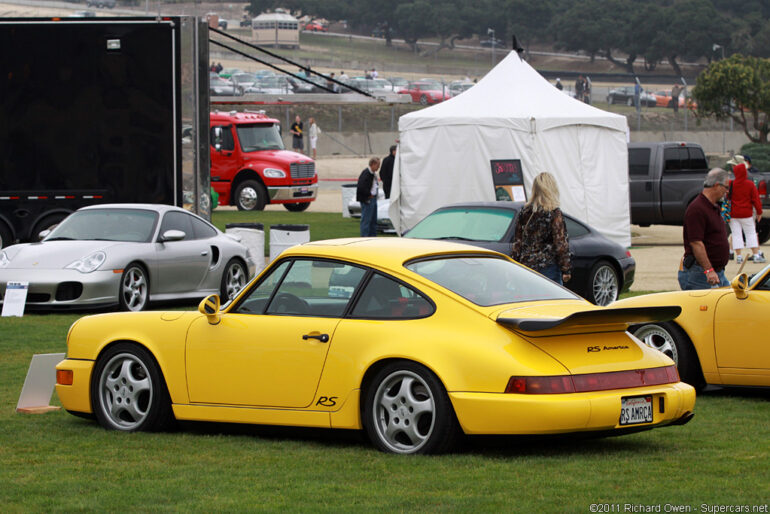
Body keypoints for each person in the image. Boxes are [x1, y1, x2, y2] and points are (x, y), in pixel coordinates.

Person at [511, 172, 571, 285]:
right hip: (548, 267)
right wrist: (566, 269)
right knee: (552, 301)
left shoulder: (524, 212)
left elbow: (517, 242)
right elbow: (560, 244)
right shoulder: (554, 213)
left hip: (526, 267)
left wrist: (515, 263)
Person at [679, 168, 731, 290]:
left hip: (717, 273)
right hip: (700, 274)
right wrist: (709, 270)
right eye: (726, 187)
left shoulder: (714, 207)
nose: (727, 191)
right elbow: (696, 243)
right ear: (717, 185)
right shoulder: (697, 209)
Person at [729, 162, 765, 263]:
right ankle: (756, 255)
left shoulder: (731, 184)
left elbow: (728, 197)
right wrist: (759, 212)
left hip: (733, 214)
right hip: (746, 214)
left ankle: (739, 256)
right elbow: (756, 200)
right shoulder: (750, 184)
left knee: (736, 234)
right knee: (751, 233)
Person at [356, 157, 381, 237]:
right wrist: (368, 195)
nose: (378, 167)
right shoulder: (366, 173)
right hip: (368, 200)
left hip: (373, 198)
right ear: (372, 164)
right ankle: (364, 237)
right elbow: (361, 187)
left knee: (373, 220)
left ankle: (373, 237)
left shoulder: (373, 174)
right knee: (366, 220)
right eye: (378, 165)